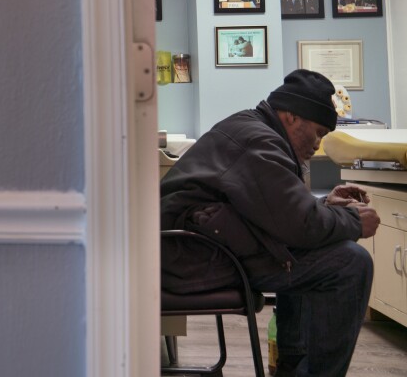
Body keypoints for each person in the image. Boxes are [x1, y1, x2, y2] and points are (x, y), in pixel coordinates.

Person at [160, 69, 380, 377]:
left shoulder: (252, 129)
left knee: (313, 249)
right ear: (291, 116)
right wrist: (354, 220)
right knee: (350, 262)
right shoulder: (259, 143)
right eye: (318, 132)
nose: (317, 144)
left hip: (189, 249)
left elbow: (277, 212)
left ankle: (294, 368)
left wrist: (325, 206)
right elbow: (299, 225)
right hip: (191, 257)